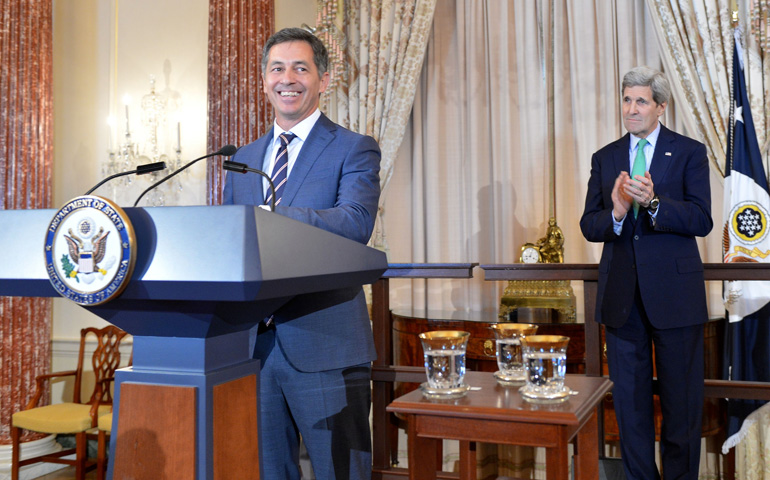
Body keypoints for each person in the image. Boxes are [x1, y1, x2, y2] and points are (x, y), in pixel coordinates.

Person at [223, 27, 381, 480]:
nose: (286, 78)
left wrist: (271, 215)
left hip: (325, 343)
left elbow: (354, 223)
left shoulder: (354, 147)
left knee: (342, 473)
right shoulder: (243, 159)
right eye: (277, 68)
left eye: (300, 68)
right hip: (254, 347)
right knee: (267, 471)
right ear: (264, 79)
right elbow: (233, 244)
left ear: (323, 79)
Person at [580, 66, 712, 480]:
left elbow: (702, 219)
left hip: (675, 299)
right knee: (631, 412)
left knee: (682, 408)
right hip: (622, 301)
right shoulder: (605, 157)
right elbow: (589, 224)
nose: (630, 109)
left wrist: (654, 203)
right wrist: (617, 212)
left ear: (660, 107)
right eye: (626, 100)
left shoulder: (689, 151)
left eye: (640, 101)